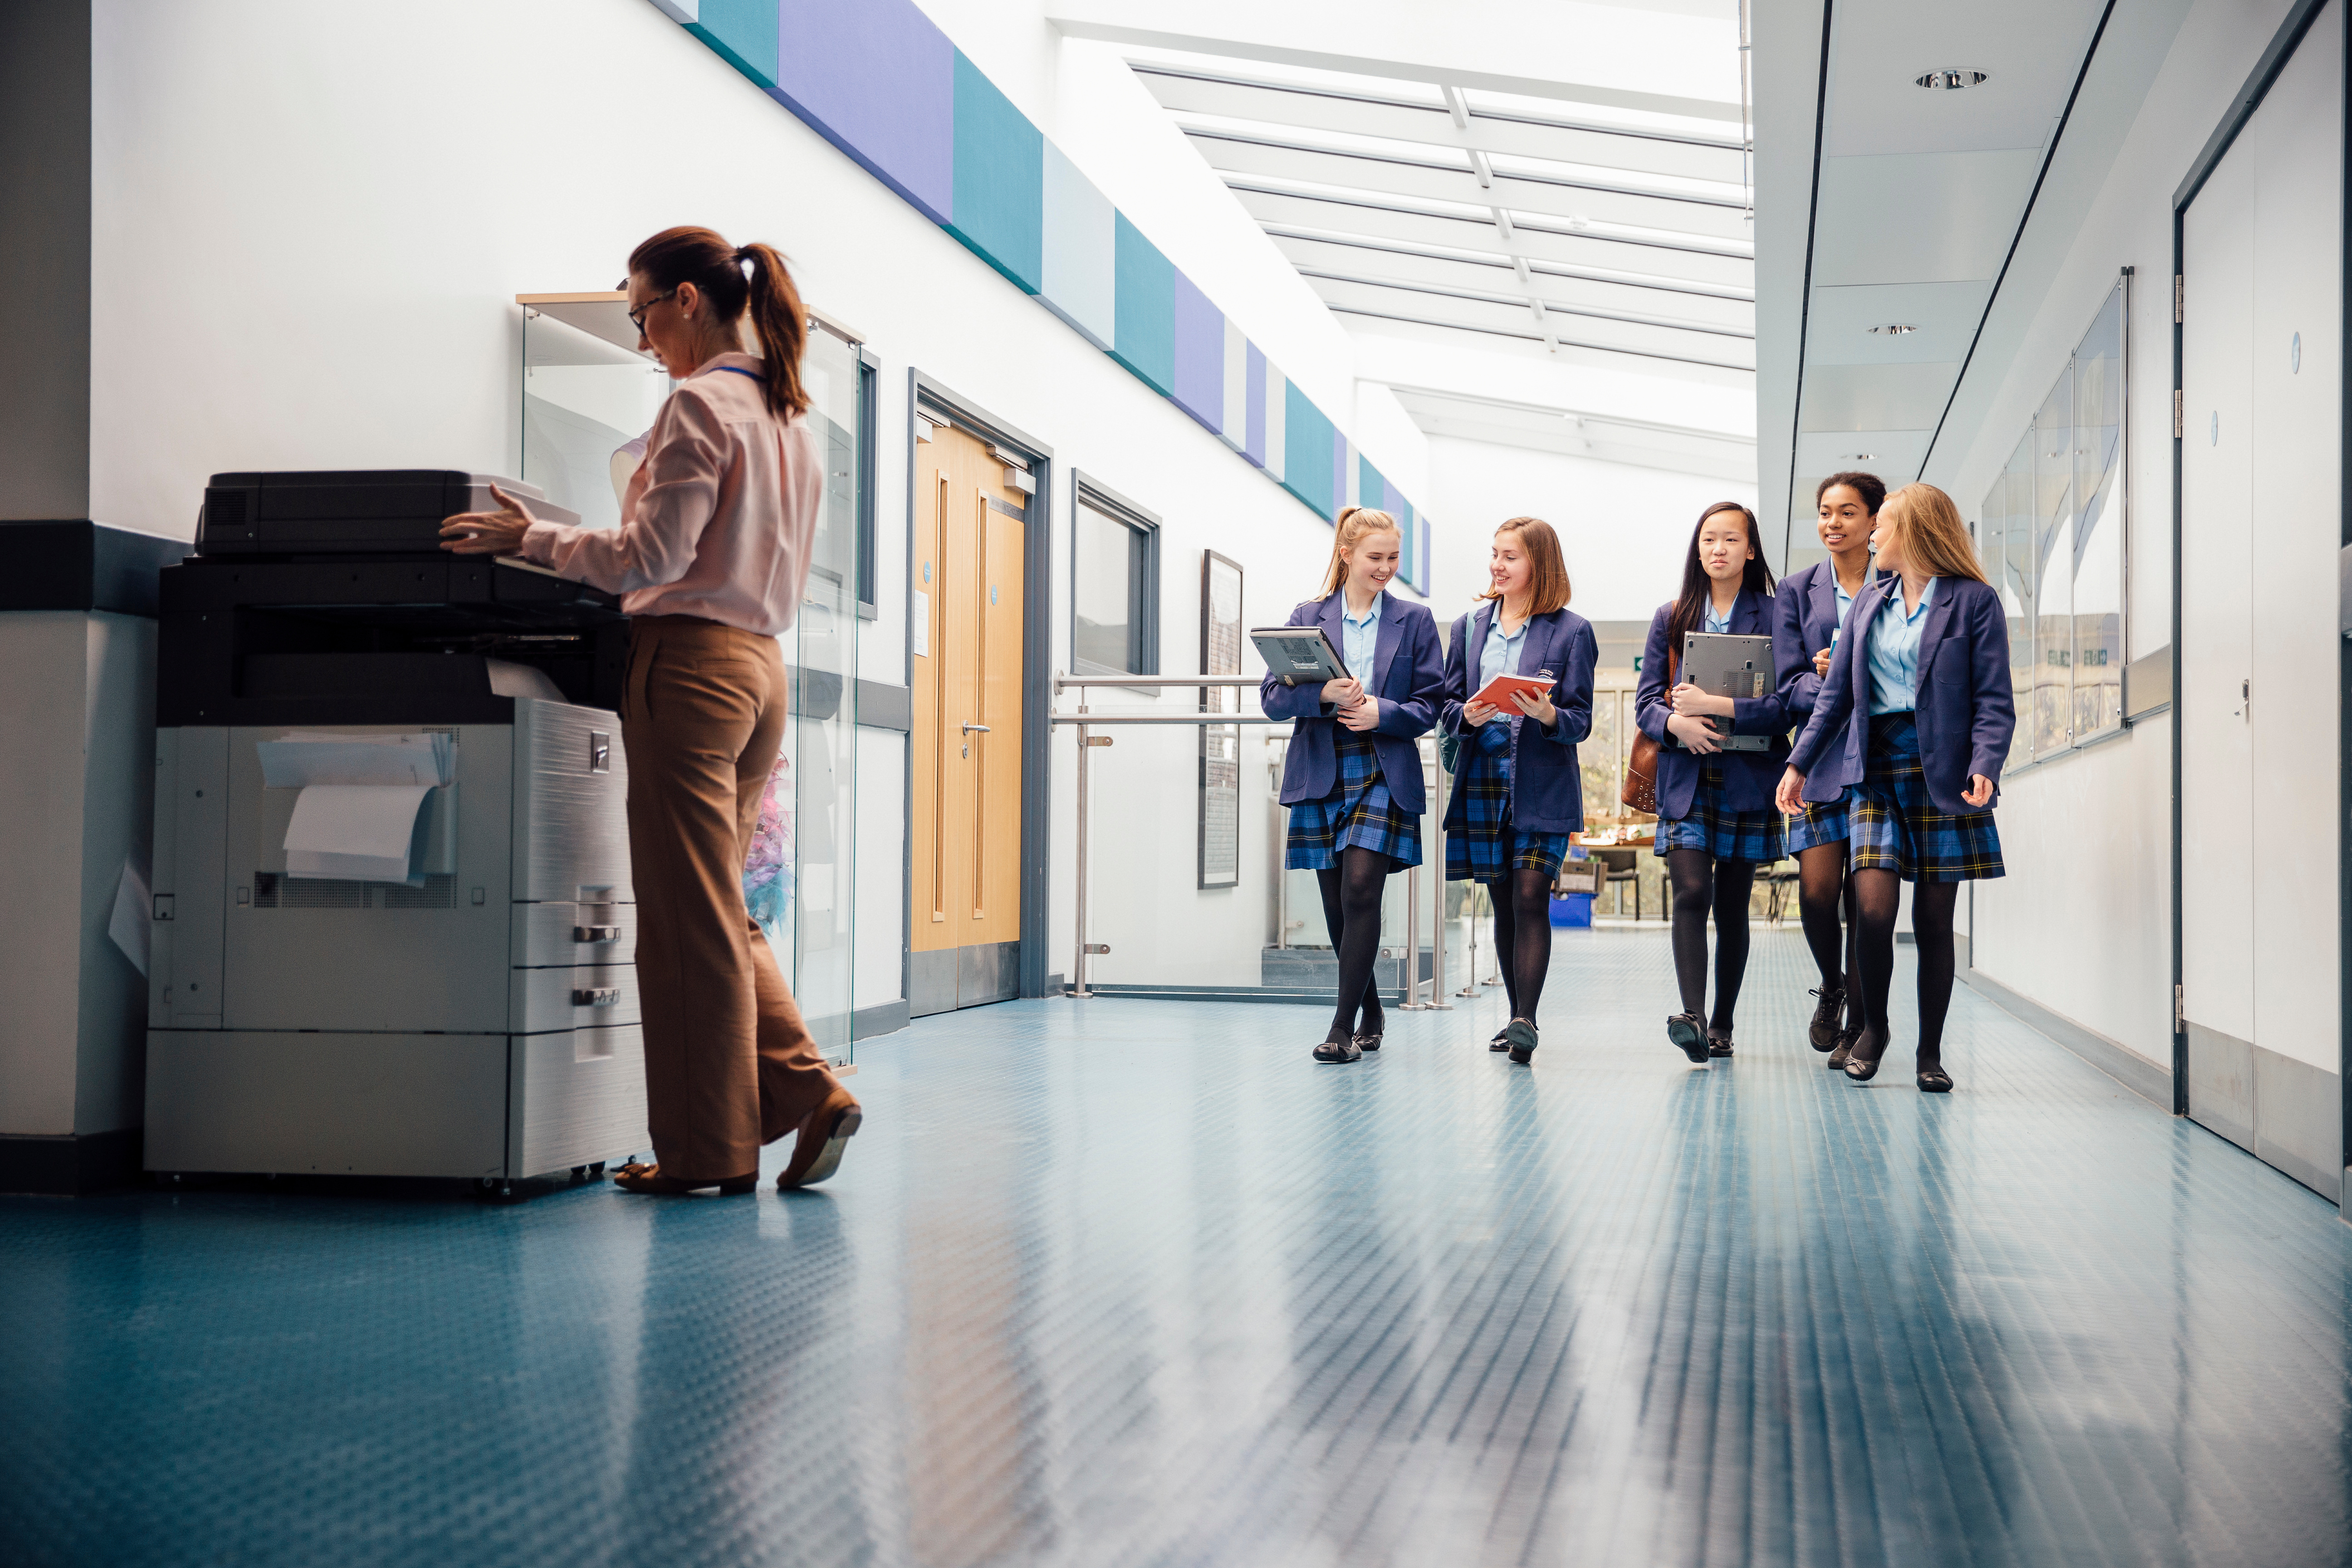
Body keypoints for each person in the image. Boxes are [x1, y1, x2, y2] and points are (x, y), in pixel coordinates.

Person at [441, 225, 861, 1192]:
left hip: (691, 670)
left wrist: (532, 538)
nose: (641, 340)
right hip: (762, 673)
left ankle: (703, 1156)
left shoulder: (699, 407)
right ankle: (812, 1092)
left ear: (684, 299)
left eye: (640, 314)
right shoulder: (789, 415)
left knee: (682, 922)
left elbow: (648, 560)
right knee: (717, 905)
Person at [1778, 483, 2013, 1092]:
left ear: (1914, 531)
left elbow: (1993, 698)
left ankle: (1929, 1053)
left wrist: (1987, 760)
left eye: (1882, 525)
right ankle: (1873, 1028)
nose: (1873, 535)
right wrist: (1799, 763)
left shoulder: (1972, 601)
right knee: (1874, 911)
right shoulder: (1869, 603)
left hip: (1945, 778)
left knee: (1936, 923)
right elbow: (1835, 697)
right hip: (1874, 773)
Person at [1261, 508, 1444, 1063]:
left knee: (1362, 888)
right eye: (1375, 558)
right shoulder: (1307, 615)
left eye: (1393, 558)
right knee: (1337, 904)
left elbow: (1430, 705)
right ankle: (1372, 1009)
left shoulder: (1414, 621)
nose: (1386, 568)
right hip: (1322, 767)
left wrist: (1380, 713)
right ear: (1346, 555)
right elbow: (1273, 699)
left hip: (1384, 768)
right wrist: (1325, 698)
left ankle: (1341, 1028)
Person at [1439, 518, 1597, 1065]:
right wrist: (1467, 713)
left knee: (1531, 895)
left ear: (1539, 564)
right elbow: (1447, 704)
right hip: (1482, 781)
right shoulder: (1467, 628)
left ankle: (1525, 1018)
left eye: (1510, 556)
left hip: (1542, 782)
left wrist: (1550, 712)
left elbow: (1581, 720)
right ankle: (1515, 1016)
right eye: (1495, 554)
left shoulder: (1572, 631)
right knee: (1504, 902)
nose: (1497, 565)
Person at [1637, 501, 1785, 1065]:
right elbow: (1648, 702)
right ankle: (1693, 1017)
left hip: (1749, 775)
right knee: (1691, 892)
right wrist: (1676, 722)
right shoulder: (1671, 616)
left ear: (1751, 549)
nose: (1717, 549)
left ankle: (1723, 1021)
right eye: (1707, 540)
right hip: (1687, 776)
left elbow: (1788, 702)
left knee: (1732, 907)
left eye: (1729, 540)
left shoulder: (1776, 614)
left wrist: (1718, 707)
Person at [1774, 472, 1883, 1067]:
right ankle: (1832, 985)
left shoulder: (1895, 582)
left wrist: (1853, 668)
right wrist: (1825, 678)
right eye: (1824, 512)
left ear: (1874, 520)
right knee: (1817, 894)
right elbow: (1786, 686)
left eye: (1846, 512)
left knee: (1866, 900)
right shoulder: (1796, 590)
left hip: (1875, 758)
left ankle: (1861, 1026)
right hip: (1818, 755)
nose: (1833, 523)